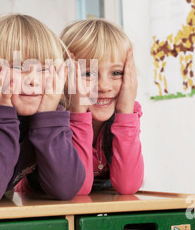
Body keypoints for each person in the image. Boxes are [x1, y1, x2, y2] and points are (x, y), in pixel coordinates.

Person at [0, 14, 86, 204]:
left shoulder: (48, 111)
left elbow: (65, 189)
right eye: (19, 67)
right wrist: (2, 114)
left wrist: (48, 119)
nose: (33, 80)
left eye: (44, 69)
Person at [60, 19, 144, 195]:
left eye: (116, 73)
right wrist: (78, 113)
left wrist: (126, 113)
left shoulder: (125, 113)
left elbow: (128, 186)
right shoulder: (53, 119)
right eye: (88, 73)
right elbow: (78, 188)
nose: (104, 86)